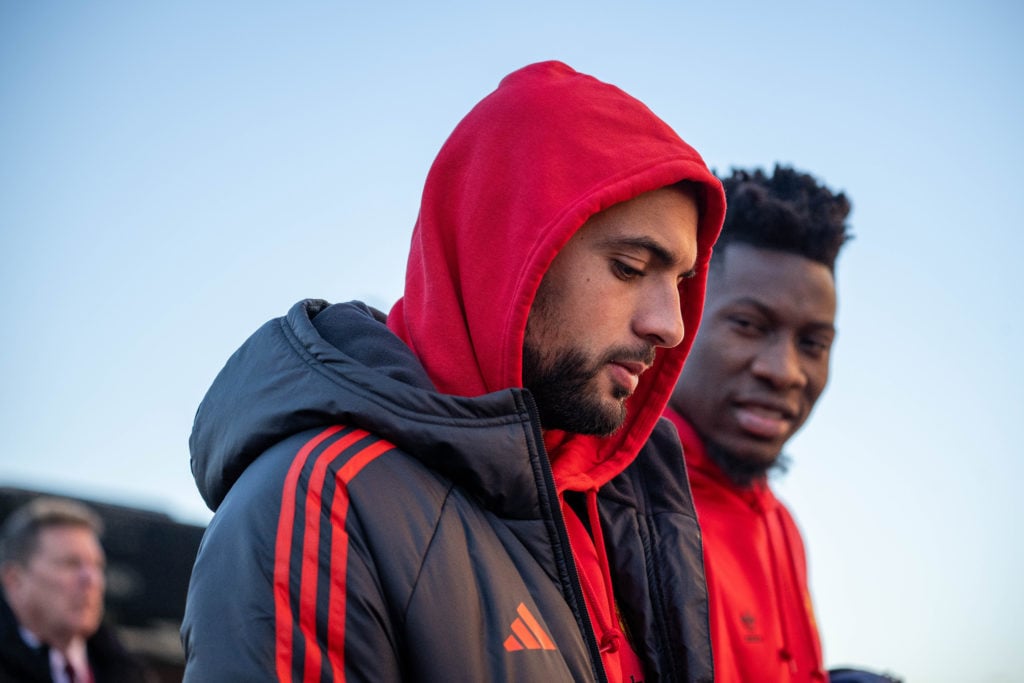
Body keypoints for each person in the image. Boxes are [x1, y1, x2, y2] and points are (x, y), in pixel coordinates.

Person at [182, 61, 726, 682]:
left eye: (681, 283)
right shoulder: (324, 500)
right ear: (512, 254)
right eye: (629, 268)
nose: (672, 325)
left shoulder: (622, 503)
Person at [664, 165, 853, 682]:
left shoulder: (781, 526)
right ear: (680, 315)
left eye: (813, 344)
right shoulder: (607, 500)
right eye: (749, 325)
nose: (784, 372)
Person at [0, 496, 153, 683]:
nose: (92, 579)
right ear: (15, 581)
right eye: (70, 564)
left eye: (97, 566)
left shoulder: (130, 671)